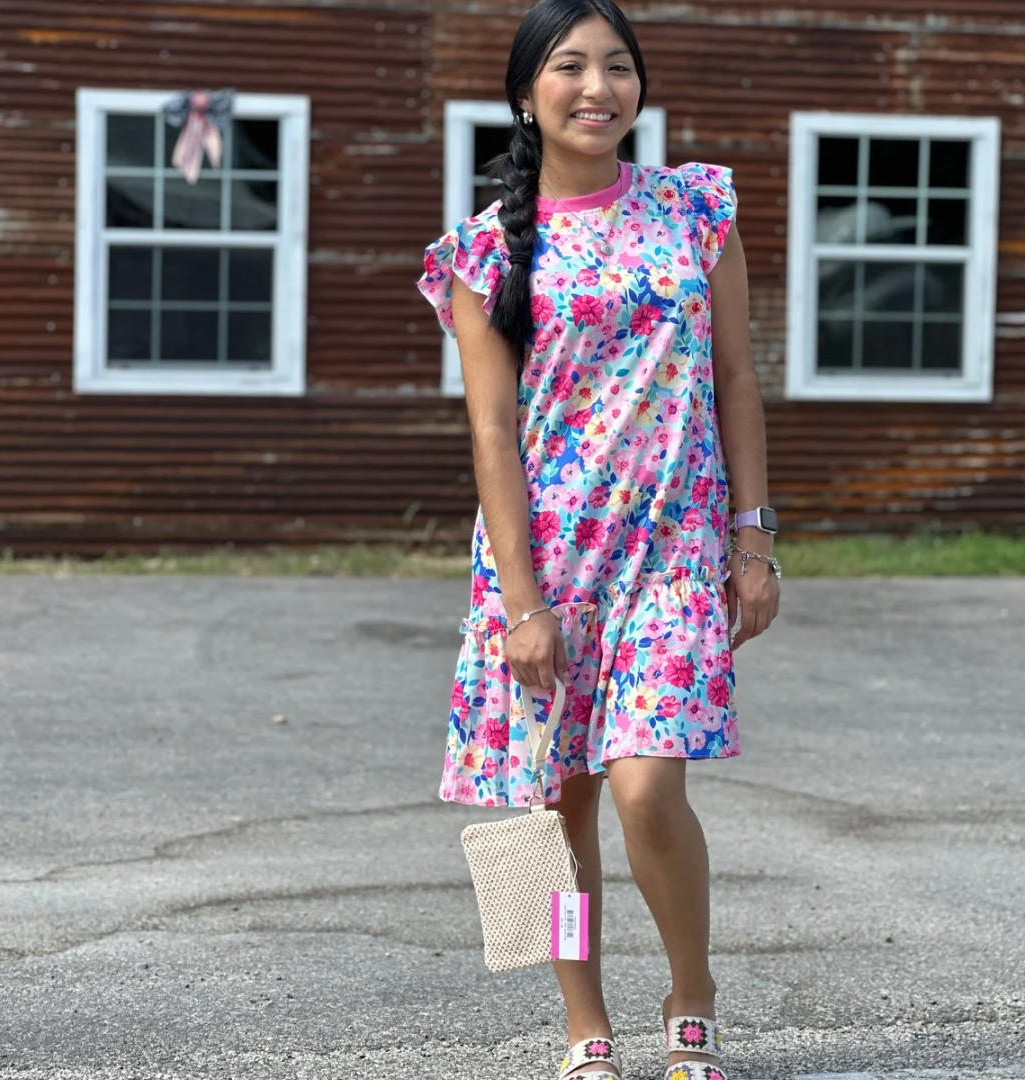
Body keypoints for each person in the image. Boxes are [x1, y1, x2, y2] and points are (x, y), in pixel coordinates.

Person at [417, 2, 781, 1078]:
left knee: (644, 786)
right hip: (547, 570)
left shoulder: (695, 210)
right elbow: (490, 430)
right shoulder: (483, 253)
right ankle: (585, 1025)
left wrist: (752, 542)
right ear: (527, 92)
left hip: (673, 554)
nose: (598, 87)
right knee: (557, 811)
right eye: (570, 66)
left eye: (618, 67)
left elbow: (735, 378)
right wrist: (521, 605)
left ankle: (691, 990)